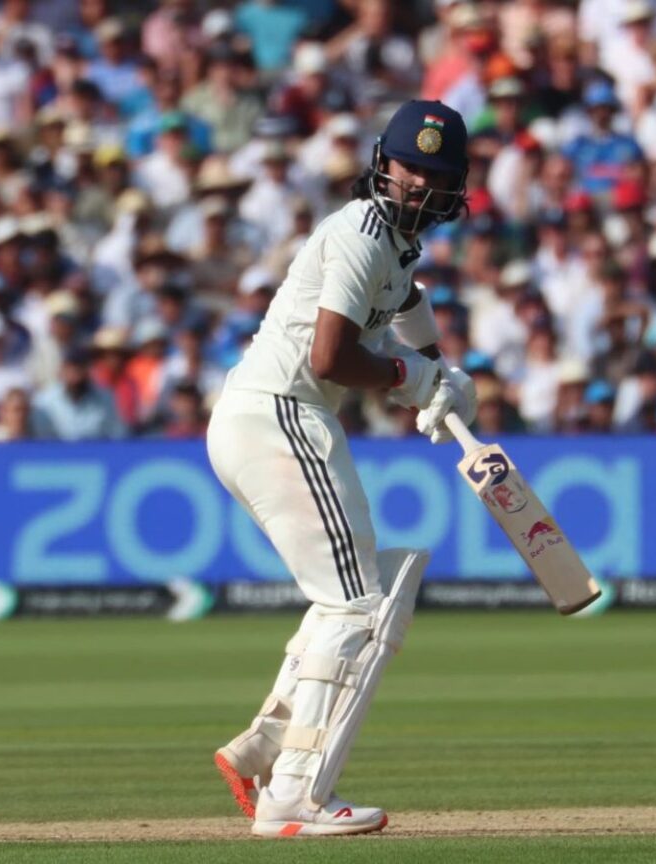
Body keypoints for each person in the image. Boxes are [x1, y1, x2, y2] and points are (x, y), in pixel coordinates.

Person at [206, 100, 478, 838]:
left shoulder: (396, 246)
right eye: (409, 167)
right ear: (383, 164)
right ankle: (294, 796)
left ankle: (263, 750)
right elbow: (330, 358)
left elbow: (406, 302)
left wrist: (441, 369)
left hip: (269, 417)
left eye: (434, 173)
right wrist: (414, 379)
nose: (418, 183)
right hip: (280, 412)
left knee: (355, 594)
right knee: (358, 605)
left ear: (455, 185)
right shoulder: (362, 234)